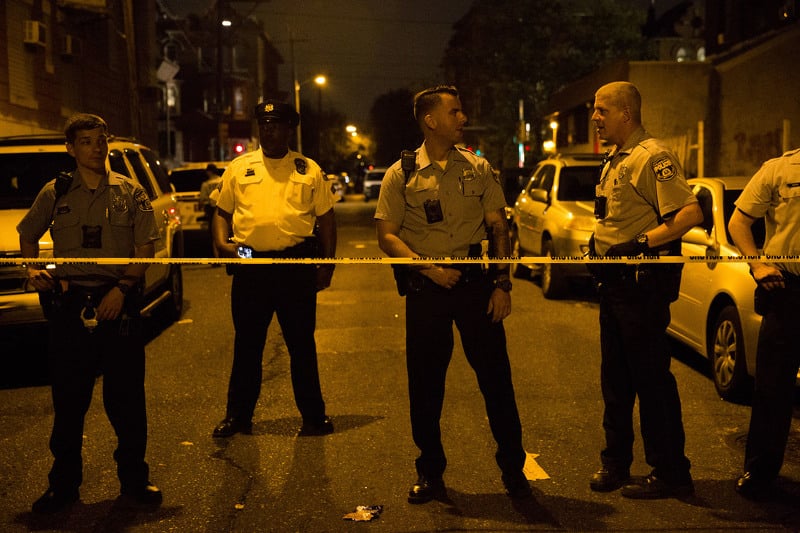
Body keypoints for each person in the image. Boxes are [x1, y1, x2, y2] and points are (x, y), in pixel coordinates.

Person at [375, 85, 531, 503]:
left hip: (475, 283)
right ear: (430, 121)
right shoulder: (401, 174)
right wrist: (428, 268)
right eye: (455, 112)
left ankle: (514, 471)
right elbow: (387, 236)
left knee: (497, 381)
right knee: (425, 385)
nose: (463, 118)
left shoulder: (478, 169)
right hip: (427, 286)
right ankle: (430, 472)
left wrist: (502, 284)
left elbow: (498, 227)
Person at [17, 113, 163, 513]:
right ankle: (63, 487)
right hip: (71, 308)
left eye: (101, 140)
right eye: (85, 141)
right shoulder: (55, 192)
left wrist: (121, 289)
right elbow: (27, 234)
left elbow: (145, 250)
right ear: (71, 148)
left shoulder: (131, 193)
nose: (96, 148)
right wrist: (33, 270)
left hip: (120, 305)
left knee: (127, 400)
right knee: (68, 402)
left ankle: (136, 482)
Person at [588, 81, 703, 499]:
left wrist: (638, 244)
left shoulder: (653, 156)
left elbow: (690, 212)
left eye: (602, 111)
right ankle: (615, 463)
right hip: (614, 284)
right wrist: (596, 247)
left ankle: (672, 471)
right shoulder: (615, 159)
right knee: (615, 382)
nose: (595, 119)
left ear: (626, 113)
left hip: (641, 288)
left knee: (652, 382)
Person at [211, 100, 337, 439]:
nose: (268, 130)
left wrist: (327, 266)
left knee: (301, 345)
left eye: (276, 124)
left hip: (295, 264)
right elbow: (222, 212)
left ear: (289, 129)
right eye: (264, 124)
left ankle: (314, 416)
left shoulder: (307, 168)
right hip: (251, 262)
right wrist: (223, 246)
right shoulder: (239, 167)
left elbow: (326, 219)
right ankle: (237, 417)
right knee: (248, 345)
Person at [727, 148, 800, 499]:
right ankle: (759, 471)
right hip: (788, 291)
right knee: (772, 387)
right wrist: (757, 264)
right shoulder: (779, 169)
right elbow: (739, 221)